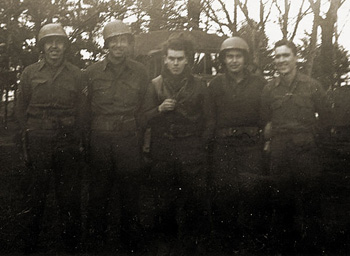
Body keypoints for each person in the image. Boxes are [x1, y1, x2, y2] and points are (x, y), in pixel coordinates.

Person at [141, 34, 214, 255]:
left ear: (187, 60)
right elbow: (143, 118)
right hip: (163, 149)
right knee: (163, 200)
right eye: (171, 58)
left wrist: (199, 145)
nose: (175, 63)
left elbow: (210, 120)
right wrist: (159, 109)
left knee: (194, 200)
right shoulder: (154, 85)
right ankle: (166, 244)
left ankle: (192, 245)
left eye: (180, 59)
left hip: (191, 149)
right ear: (164, 59)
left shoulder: (200, 86)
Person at [15, 23, 84, 253]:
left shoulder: (77, 74)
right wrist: (26, 140)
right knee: (35, 194)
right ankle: (29, 241)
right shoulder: (30, 73)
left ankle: (71, 242)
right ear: (42, 46)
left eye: (59, 41)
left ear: (65, 46)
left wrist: (79, 140)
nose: (54, 46)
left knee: (69, 195)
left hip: (67, 141)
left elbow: (83, 110)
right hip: (39, 140)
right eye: (49, 42)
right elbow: (20, 109)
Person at [84, 20, 149, 253]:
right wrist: (86, 143)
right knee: (98, 192)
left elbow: (145, 108)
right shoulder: (91, 73)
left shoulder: (141, 72)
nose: (119, 45)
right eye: (114, 40)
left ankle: (129, 240)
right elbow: (85, 109)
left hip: (128, 139)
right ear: (106, 44)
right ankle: (96, 240)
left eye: (123, 40)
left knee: (130, 191)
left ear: (129, 44)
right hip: (100, 139)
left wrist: (141, 138)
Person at [260, 39, 329, 253]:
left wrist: (312, 139)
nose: (281, 60)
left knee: (311, 202)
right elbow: (265, 119)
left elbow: (326, 117)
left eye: (285, 55)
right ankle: (285, 247)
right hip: (280, 151)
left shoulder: (312, 85)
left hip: (306, 151)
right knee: (281, 202)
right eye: (278, 56)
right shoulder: (269, 88)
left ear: (296, 57)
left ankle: (313, 247)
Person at [208, 37, 267, 252]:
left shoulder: (259, 83)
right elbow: (210, 118)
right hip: (223, 146)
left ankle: (252, 242)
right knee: (225, 193)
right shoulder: (215, 84)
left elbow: (266, 116)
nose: (234, 61)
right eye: (229, 57)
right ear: (223, 60)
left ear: (246, 58)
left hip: (251, 145)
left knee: (252, 192)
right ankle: (227, 244)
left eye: (238, 56)